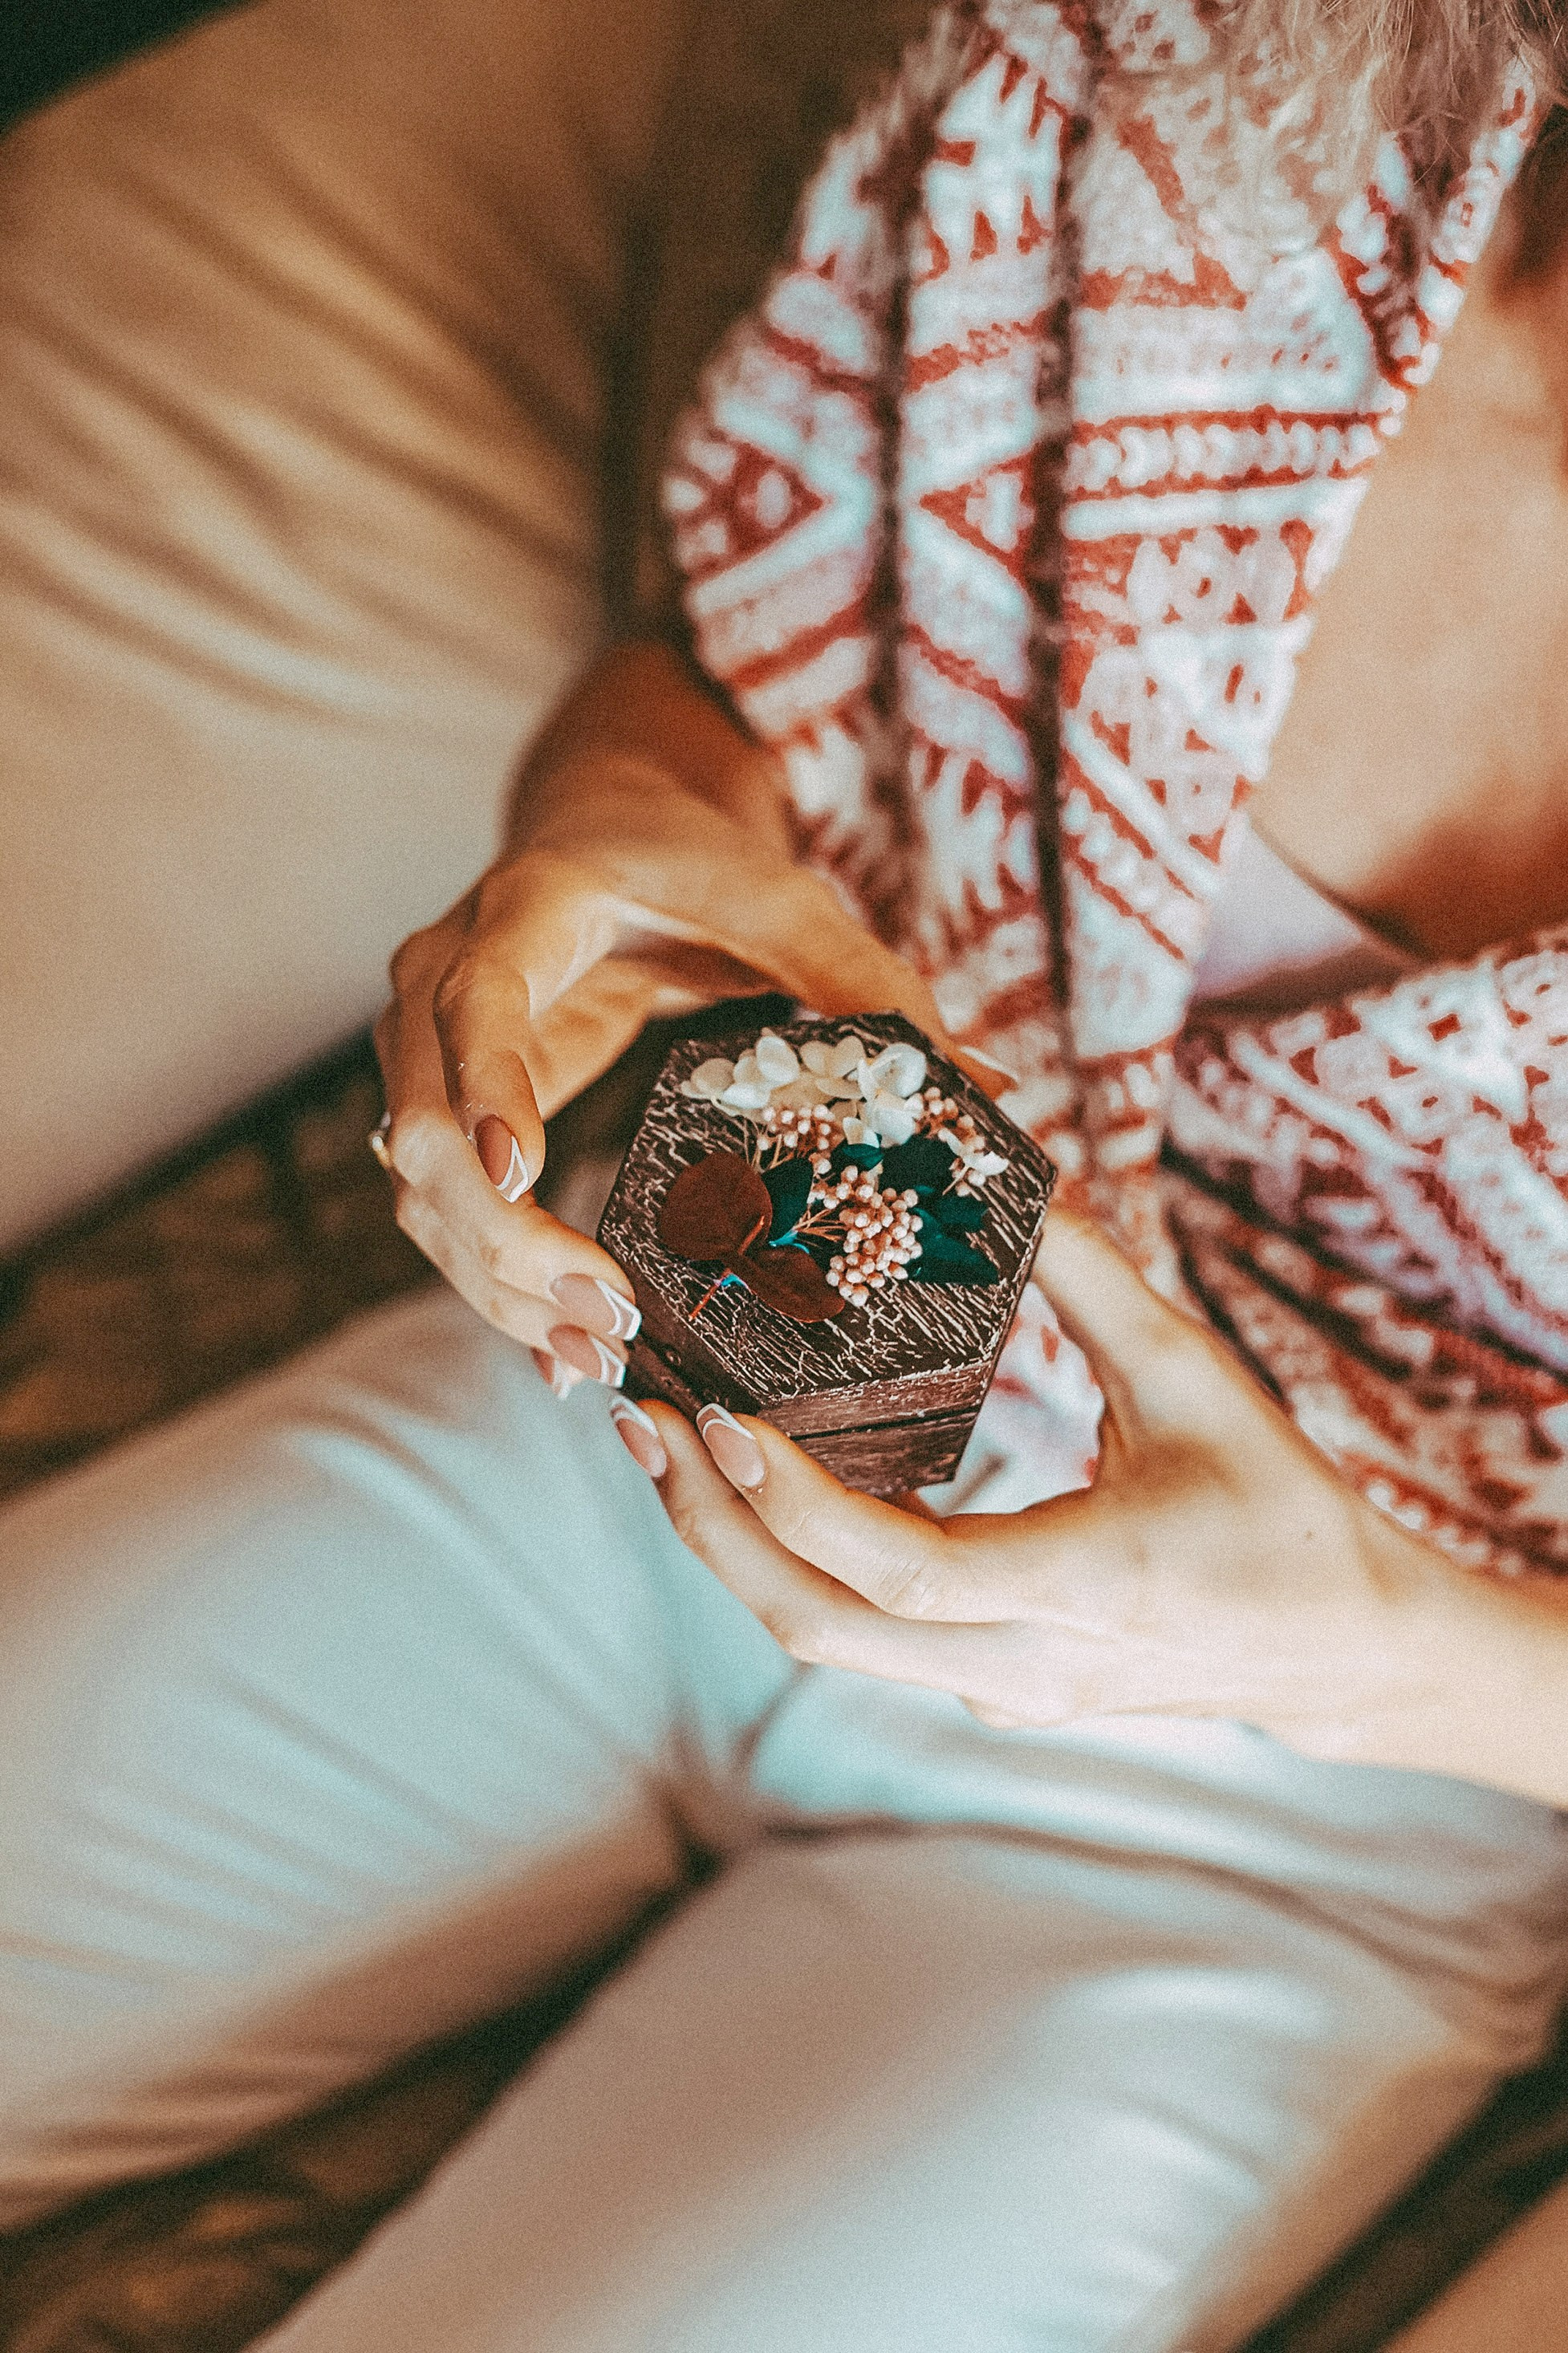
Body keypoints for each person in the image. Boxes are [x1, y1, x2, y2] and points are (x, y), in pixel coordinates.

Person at [4, 3, 1568, 2348]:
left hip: (1292, 1815)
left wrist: (1360, 1644)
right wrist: (619, 828)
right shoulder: (1182, 93)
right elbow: (738, 672)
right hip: (679, 1384)